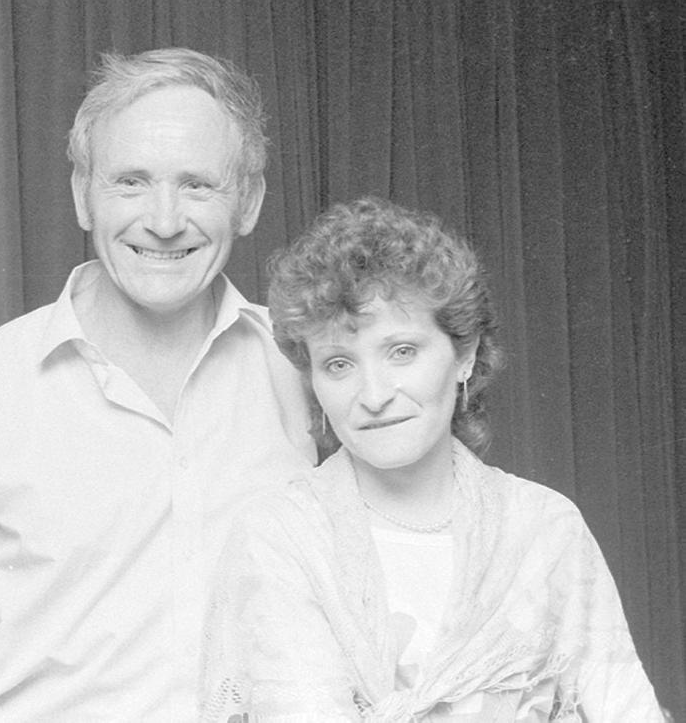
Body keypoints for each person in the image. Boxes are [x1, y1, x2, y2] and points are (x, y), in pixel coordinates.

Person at [0, 47, 315, 721]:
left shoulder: (310, 374)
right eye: (130, 182)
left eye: (198, 185)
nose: (163, 220)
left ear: (248, 203)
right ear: (83, 195)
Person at [200, 197, 666, 721]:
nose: (374, 395)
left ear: (465, 355)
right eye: (338, 364)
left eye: (402, 351)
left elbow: (627, 708)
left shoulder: (545, 529)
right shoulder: (280, 536)